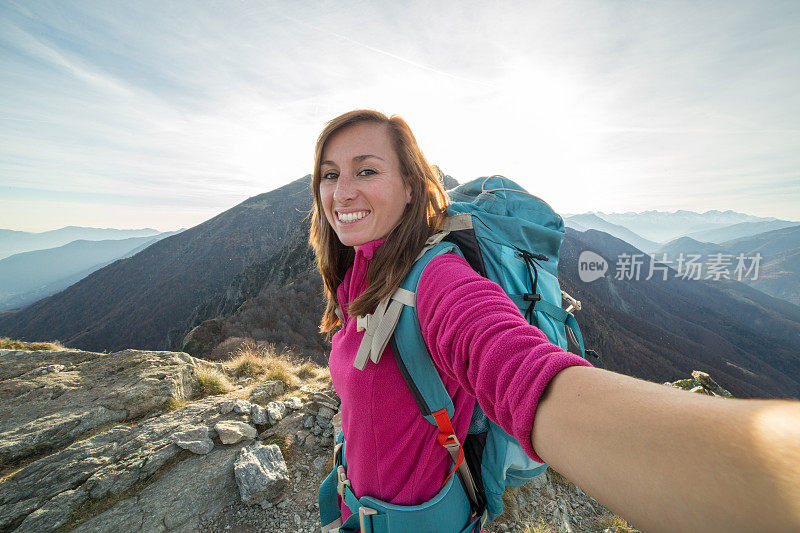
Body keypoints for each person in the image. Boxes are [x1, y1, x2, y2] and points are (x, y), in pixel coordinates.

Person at [308, 109, 800, 533]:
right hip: (357, 506)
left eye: (366, 171)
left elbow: (518, 368)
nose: (343, 192)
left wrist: (762, 468)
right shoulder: (359, 278)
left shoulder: (438, 281)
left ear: (412, 188)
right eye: (330, 176)